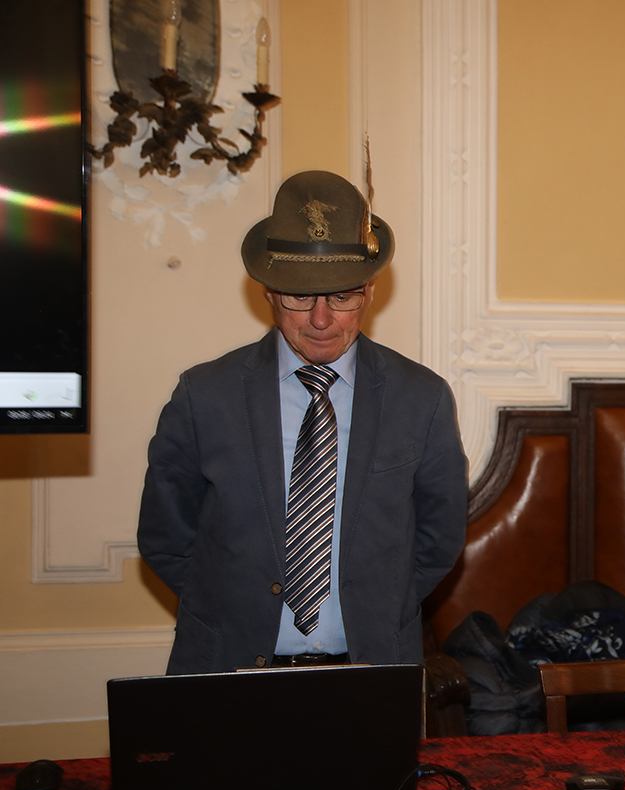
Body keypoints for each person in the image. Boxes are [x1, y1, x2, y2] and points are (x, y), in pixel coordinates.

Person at [138, 170, 468, 675]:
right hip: (228, 670)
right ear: (268, 292)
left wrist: (373, 606)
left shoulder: (422, 399)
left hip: (372, 670)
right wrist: (234, 607)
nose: (320, 319)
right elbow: (167, 538)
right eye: (298, 297)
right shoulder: (204, 396)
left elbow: (438, 540)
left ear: (371, 291)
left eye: (342, 297)